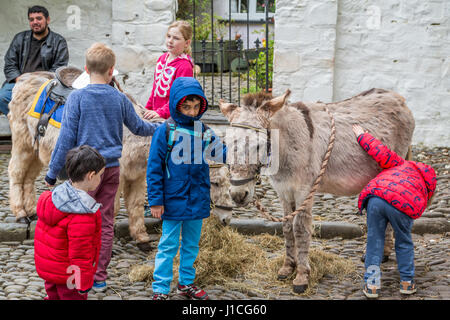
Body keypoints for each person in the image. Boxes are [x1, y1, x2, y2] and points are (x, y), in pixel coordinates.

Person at [44, 42, 159, 293]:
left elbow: (65, 138)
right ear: (111, 71)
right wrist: (161, 127)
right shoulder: (119, 98)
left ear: (86, 69)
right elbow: (139, 127)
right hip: (111, 169)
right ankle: (100, 276)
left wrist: (52, 173)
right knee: (105, 222)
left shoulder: (76, 98)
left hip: (83, 173)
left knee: (77, 222)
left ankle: (77, 273)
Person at [146, 77, 227, 300]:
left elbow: (222, 153)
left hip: (198, 197)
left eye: (195, 107)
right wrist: (155, 200)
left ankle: (186, 283)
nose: (191, 112)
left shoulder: (204, 131)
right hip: (173, 199)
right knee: (168, 244)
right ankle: (160, 288)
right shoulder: (165, 131)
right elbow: (154, 168)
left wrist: (246, 151)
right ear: (176, 104)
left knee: (191, 244)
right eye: (186, 107)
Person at [352, 124, 437, 299]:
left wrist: (361, 135)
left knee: (374, 241)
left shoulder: (400, 163)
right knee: (404, 241)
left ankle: (372, 284)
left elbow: (379, 151)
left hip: (376, 198)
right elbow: (419, 207)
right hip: (402, 204)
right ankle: (407, 282)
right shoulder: (424, 186)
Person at [34, 145, 104, 300]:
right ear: (91, 175)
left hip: (51, 271)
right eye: (100, 175)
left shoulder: (53, 198)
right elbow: (80, 253)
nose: (101, 179)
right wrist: (83, 283)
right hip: (69, 277)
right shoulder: (82, 214)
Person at [0, 5, 69, 115]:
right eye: (31, 19)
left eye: (39, 18)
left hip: (45, 84)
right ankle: (24, 121)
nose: (35, 22)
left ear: (48, 20)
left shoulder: (59, 41)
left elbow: (59, 68)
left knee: (57, 103)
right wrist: (19, 80)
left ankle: (31, 122)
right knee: (2, 97)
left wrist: (38, 82)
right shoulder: (20, 38)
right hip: (20, 82)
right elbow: (10, 64)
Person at [143, 20, 194, 120]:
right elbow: (155, 91)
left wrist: (161, 113)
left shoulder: (185, 66)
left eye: (176, 38)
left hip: (173, 119)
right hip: (157, 115)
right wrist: (147, 109)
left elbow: (180, 97)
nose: (170, 41)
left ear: (187, 43)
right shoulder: (161, 59)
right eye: (169, 36)